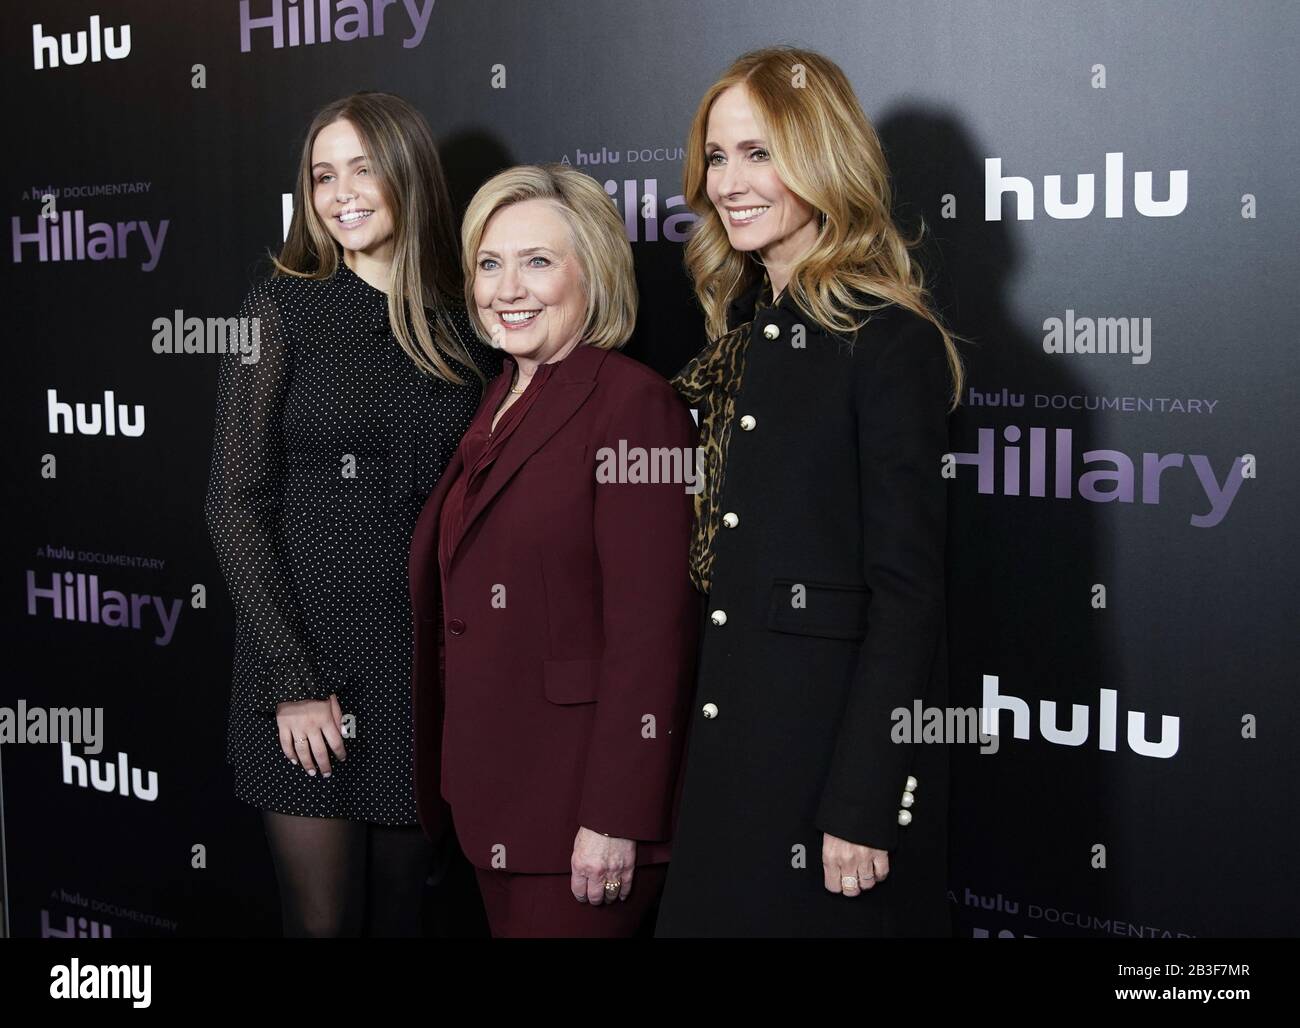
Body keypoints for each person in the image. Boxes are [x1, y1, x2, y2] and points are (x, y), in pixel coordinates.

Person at [655, 46, 964, 937]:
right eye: (718, 157)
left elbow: (909, 595)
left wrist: (866, 796)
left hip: (825, 772)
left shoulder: (885, 338)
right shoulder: (744, 339)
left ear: (824, 158)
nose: (730, 183)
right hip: (728, 761)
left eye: (760, 153)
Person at [204, 92, 500, 937]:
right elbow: (234, 502)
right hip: (302, 664)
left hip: (419, 669)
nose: (340, 193)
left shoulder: (466, 319)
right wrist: (295, 683)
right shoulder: (278, 310)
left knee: (408, 916)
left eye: (362, 169)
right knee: (323, 925)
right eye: (323, 175)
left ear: (407, 171)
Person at [408, 164, 699, 938]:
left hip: (578, 816)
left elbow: (654, 632)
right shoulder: (499, 393)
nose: (508, 288)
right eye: (490, 264)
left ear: (593, 272)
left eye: (538, 262)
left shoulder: (635, 403)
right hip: (494, 802)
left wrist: (614, 817)